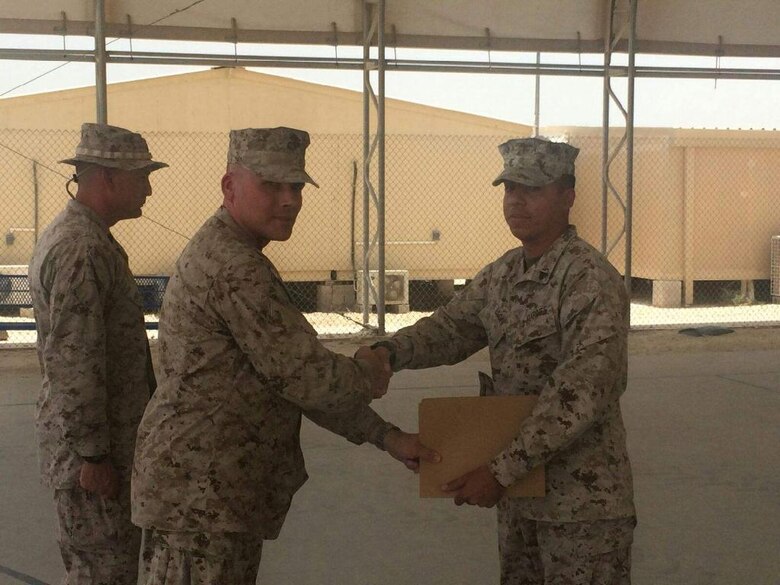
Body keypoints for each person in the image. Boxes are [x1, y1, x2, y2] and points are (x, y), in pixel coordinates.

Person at [131, 126, 437, 584]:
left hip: (204, 496)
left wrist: (388, 437)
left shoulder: (234, 252)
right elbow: (307, 378)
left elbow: (285, 380)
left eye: (295, 186)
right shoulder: (235, 267)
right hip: (201, 503)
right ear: (229, 186)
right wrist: (368, 372)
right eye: (271, 185)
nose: (290, 199)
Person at [366, 137, 636, 584]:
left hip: (581, 508)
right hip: (520, 497)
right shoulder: (504, 273)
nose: (515, 201)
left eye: (531, 190)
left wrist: (498, 470)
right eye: (509, 189)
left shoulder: (589, 280)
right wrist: (388, 353)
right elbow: (451, 328)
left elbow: (579, 396)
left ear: (567, 197)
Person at [28, 123, 166, 585]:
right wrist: (93, 456)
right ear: (106, 178)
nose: (148, 187)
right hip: (92, 457)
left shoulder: (85, 239)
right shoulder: (81, 249)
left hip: (101, 447)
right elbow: (75, 362)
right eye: (141, 176)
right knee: (103, 572)